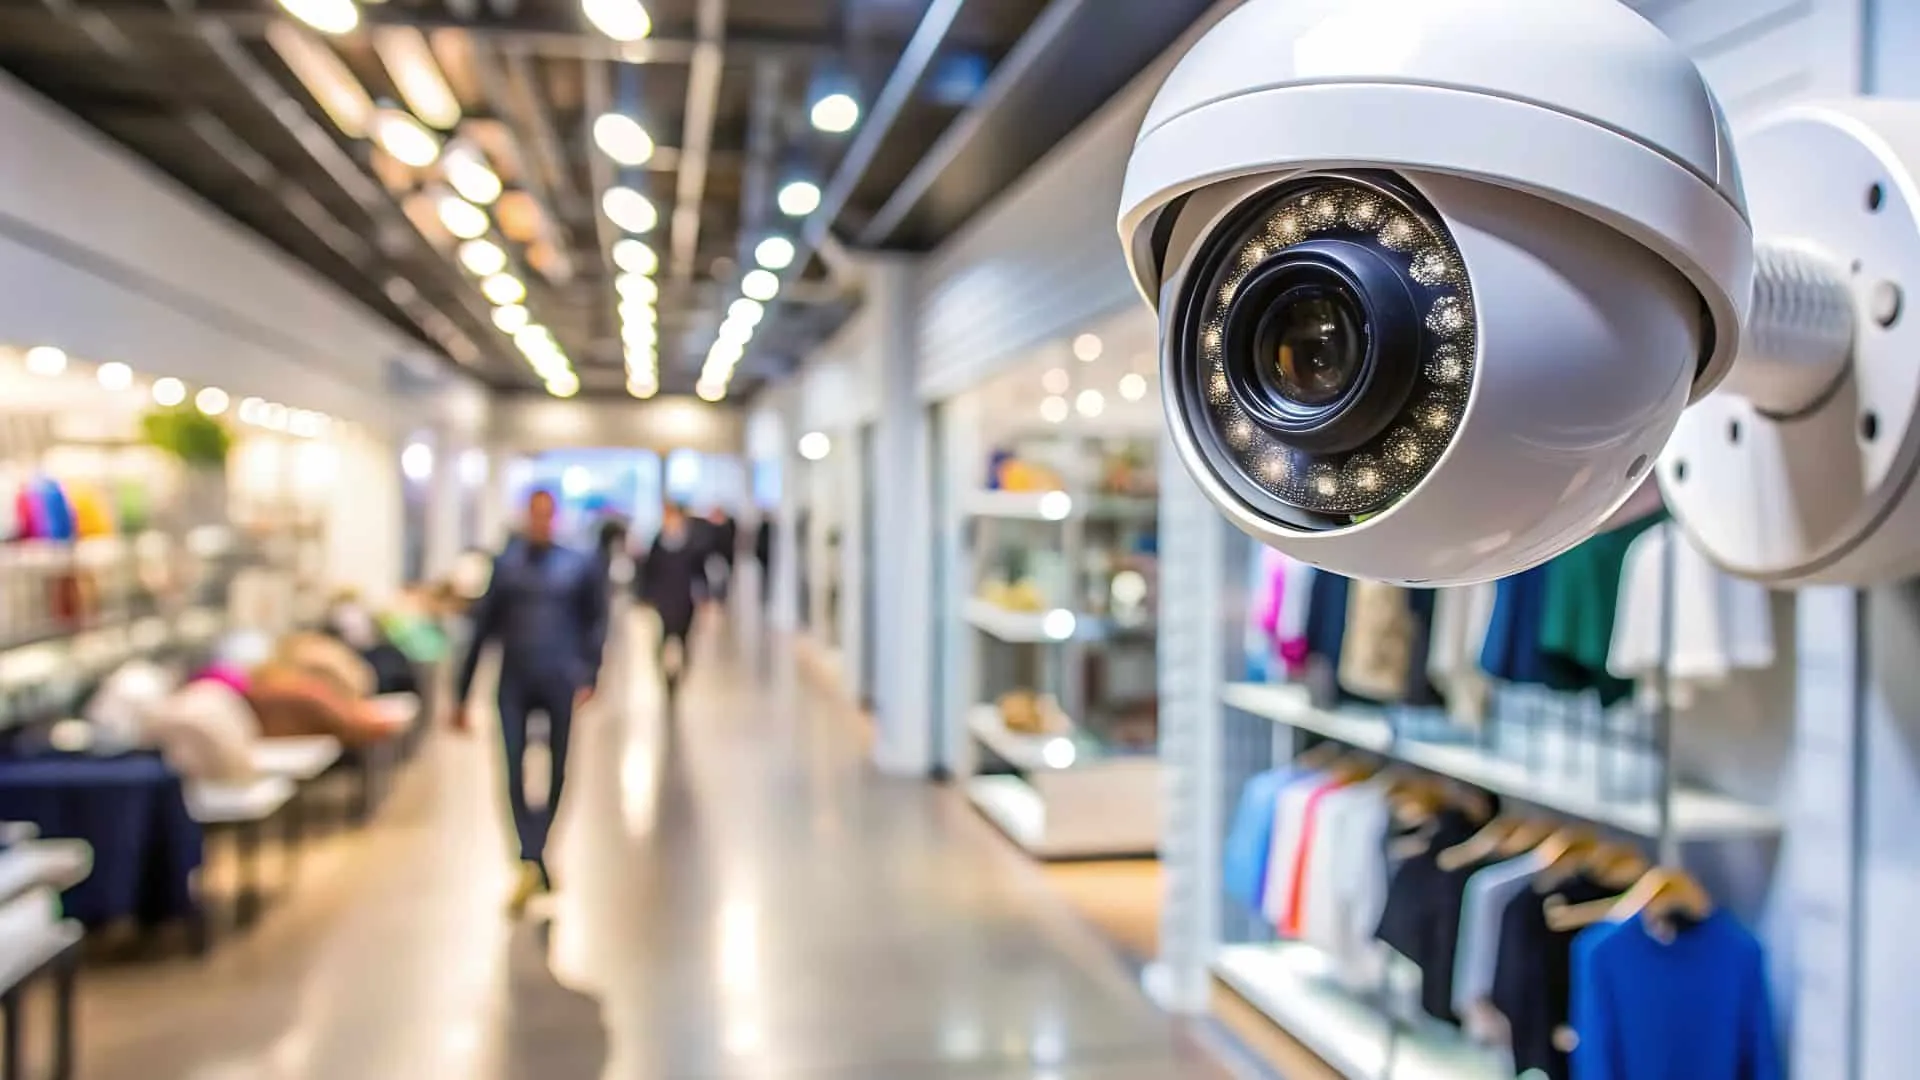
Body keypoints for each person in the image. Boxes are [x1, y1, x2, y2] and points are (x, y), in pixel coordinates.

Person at [453, 488, 608, 915]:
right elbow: (482, 630)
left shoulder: (576, 565)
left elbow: (596, 622)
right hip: (514, 682)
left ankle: (537, 848)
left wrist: (590, 673)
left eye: (546, 515)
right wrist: (461, 694)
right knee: (513, 767)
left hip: (559, 680)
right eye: (533, 514)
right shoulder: (507, 566)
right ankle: (528, 854)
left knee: (557, 769)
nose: (540, 522)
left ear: (554, 517)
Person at [636, 502, 706, 687]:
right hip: (664, 599)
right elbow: (648, 570)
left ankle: (679, 675)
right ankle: (665, 676)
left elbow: (699, 571)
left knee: (683, 639)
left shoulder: (692, 542)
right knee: (662, 638)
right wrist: (645, 596)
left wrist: (703, 595)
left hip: (684, 599)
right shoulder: (658, 541)